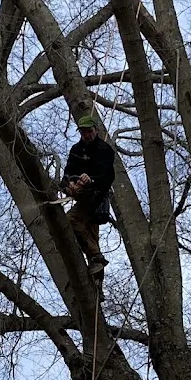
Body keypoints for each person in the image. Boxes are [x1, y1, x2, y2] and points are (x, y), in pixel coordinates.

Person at [61, 114, 115, 278]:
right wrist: (69, 183)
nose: (87, 135)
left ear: (96, 131)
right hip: (81, 196)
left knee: (70, 220)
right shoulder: (76, 150)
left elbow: (108, 177)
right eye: (84, 132)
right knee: (90, 236)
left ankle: (95, 258)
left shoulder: (104, 150)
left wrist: (91, 179)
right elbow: (68, 172)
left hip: (96, 196)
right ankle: (97, 277)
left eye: (90, 131)